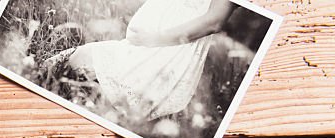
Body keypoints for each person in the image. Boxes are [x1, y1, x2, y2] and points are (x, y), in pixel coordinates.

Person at [46, 0, 235, 121]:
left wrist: (155, 38)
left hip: (165, 56)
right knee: (58, 68)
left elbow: (214, 21)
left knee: (65, 66)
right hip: (143, 48)